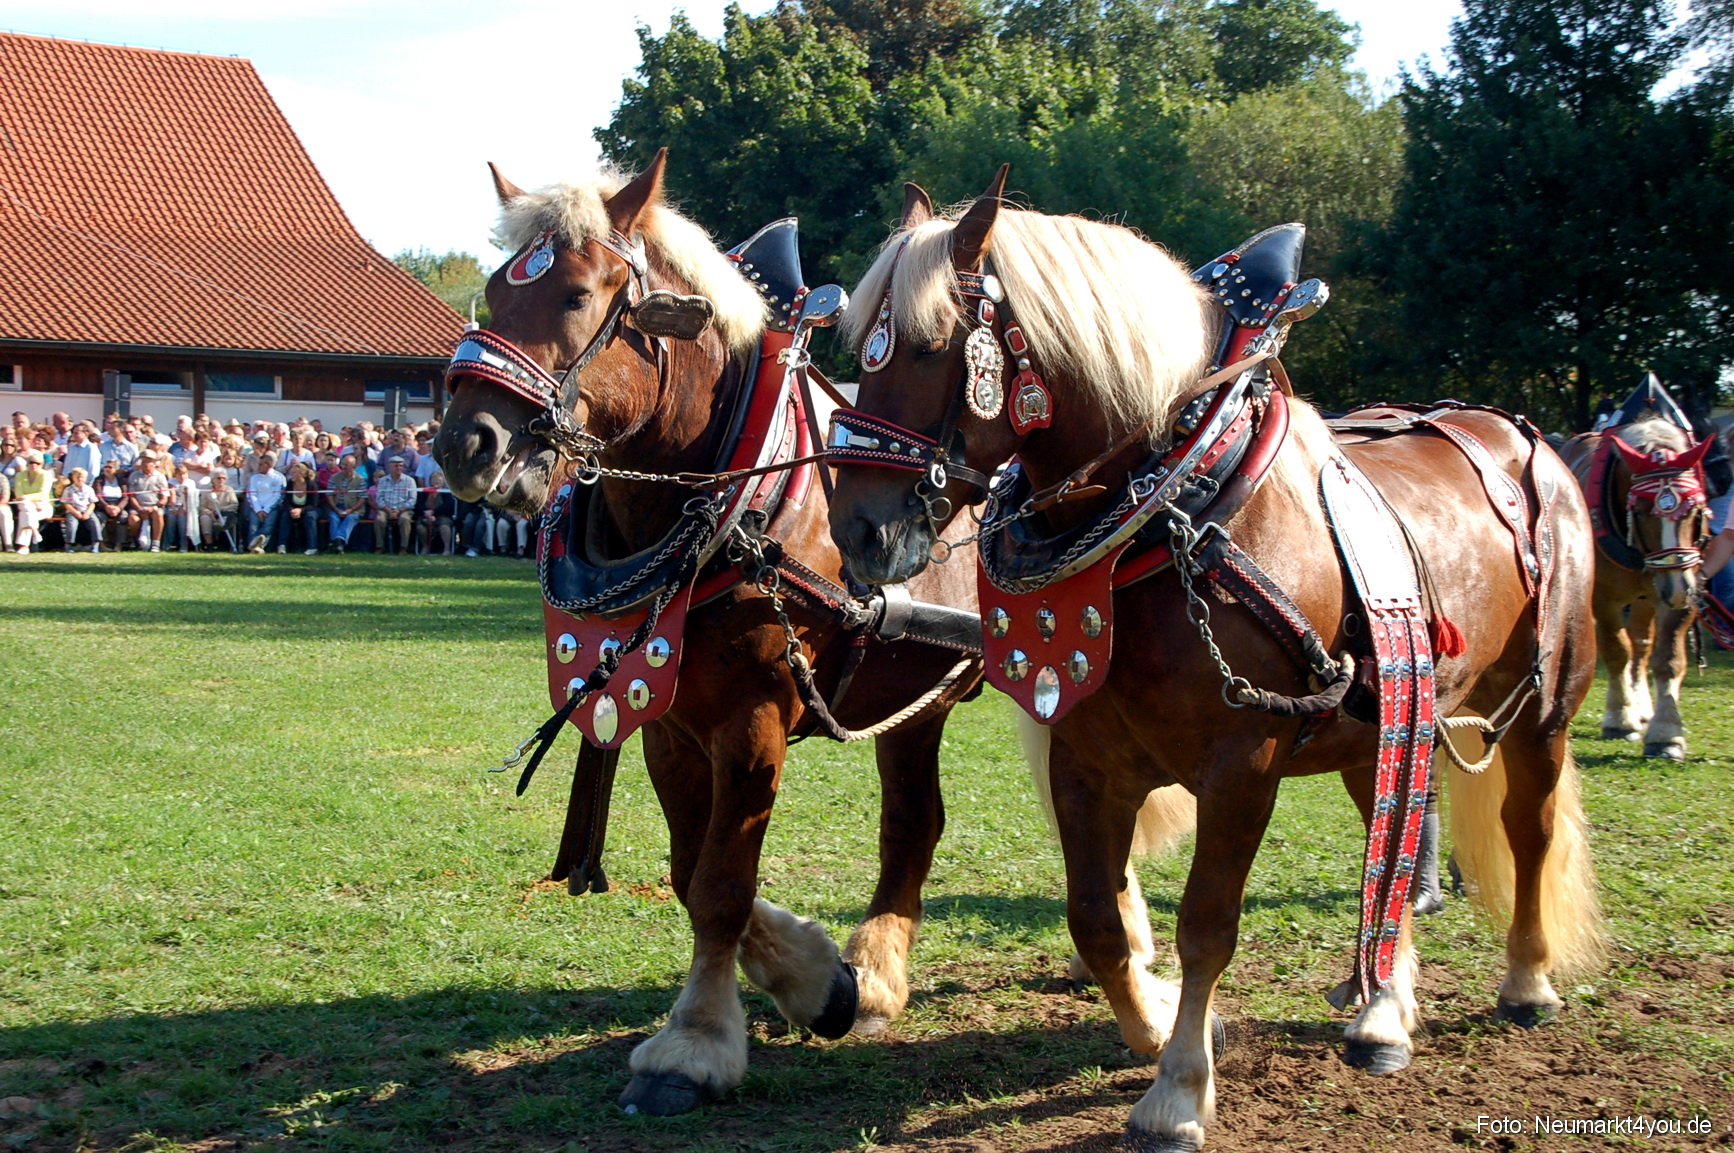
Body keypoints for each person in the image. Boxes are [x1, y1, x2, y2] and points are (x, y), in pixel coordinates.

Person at [371, 456, 418, 553]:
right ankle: (380, 546)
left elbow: (412, 500)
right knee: (380, 519)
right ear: (390, 467)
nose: (399, 468)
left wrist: (399, 510)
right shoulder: (383, 481)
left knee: (404, 519)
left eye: (401, 466)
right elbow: (379, 498)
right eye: (396, 466)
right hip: (386, 509)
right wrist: (388, 510)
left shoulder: (410, 481)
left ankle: (403, 547)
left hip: (404, 509)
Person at [125, 451, 170, 551]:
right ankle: (139, 542)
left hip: (155, 506)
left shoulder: (160, 477)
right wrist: (140, 509)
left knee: (158, 514)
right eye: (143, 461)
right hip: (138, 507)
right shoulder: (134, 476)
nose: (145, 464)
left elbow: (164, 498)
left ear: (154, 463)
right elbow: (132, 496)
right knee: (133, 519)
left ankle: (155, 543)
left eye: (148, 461)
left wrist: (153, 507)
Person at [244, 451, 286, 553]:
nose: (259, 466)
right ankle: (255, 547)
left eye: (261, 464)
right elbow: (251, 494)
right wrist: (258, 510)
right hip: (256, 507)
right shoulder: (254, 478)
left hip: (271, 507)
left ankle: (258, 546)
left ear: (269, 465)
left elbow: (278, 496)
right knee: (253, 526)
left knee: (268, 527)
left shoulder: (278, 477)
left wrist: (266, 509)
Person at [325, 453, 368, 553]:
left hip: (354, 509)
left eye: (346, 465)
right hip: (337, 506)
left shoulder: (360, 480)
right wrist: (336, 509)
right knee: (333, 517)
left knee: (350, 518)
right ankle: (338, 544)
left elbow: (362, 498)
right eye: (342, 464)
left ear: (353, 466)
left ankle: (337, 541)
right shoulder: (334, 478)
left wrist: (351, 510)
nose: (343, 467)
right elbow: (329, 495)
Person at [12, 450, 52, 553]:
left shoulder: (46, 475)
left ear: (41, 464)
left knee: (25, 514)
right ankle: (34, 533)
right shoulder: (20, 476)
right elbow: (18, 494)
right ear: (27, 463)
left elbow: (42, 494)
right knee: (27, 508)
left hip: (43, 506)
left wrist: (27, 499)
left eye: (37, 463)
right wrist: (32, 501)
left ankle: (24, 546)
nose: (34, 465)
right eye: (31, 462)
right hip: (26, 504)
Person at [283, 461, 321, 554]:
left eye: (294, 473)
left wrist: (301, 510)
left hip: (310, 509)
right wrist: (292, 510)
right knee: (285, 515)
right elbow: (286, 502)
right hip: (294, 509)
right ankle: (282, 545)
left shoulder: (311, 485)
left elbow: (313, 504)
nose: (291, 474)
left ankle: (312, 547)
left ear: (301, 474)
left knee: (310, 516)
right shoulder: (290, 484)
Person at [59, 466, 98, 552]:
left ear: (86, 478)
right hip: (73, 511)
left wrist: (87, 513)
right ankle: (69, 544)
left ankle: (95, 544)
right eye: (77, 477)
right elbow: (66, 503)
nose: (80, 479)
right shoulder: (68, 490)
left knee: (94, 522)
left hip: (86, 510)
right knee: (72, 524)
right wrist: (75, 512)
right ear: (73, 478)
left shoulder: (89, 489)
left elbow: (92, 503)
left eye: (82, 477)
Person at [418, 469, 457, 554]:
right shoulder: (424, 492)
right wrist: (426, 513)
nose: (436, 482)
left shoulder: (446, 493)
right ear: (430, 481)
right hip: (426, 516)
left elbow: (447, 507)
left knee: (444, 526)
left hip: (442, 517)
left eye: (439, 480)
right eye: (434, 479)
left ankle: (446, 549)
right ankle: (425, 547)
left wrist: (433, 513)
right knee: (420, 526)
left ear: (443, 482)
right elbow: (419, 505)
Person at [200, 471, 240, 551]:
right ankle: (209, 544)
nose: (221, 480)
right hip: (210, 514)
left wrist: (221, 509)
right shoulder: (207, 490)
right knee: (204, 518)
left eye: (223, 478)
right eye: (218, 478)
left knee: (229, 519)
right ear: (213, 480)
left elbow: (235, 505)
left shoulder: (229, 490)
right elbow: (202, 506)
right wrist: (210, 513)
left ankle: (228, 545)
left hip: (224, 513)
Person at [95, 460, 127, 551]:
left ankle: (118, 544)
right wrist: (106, 506)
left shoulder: (121, 481)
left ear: (116, 469)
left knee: (124, 516)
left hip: (117, 506)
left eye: (110, 467)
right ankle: (102, 544)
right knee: (99, 517)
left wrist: (118, 508)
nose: (107, 469)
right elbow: (98, 496)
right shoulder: (99, 480)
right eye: (106, 467)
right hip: (103, 506)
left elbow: (125, 497)